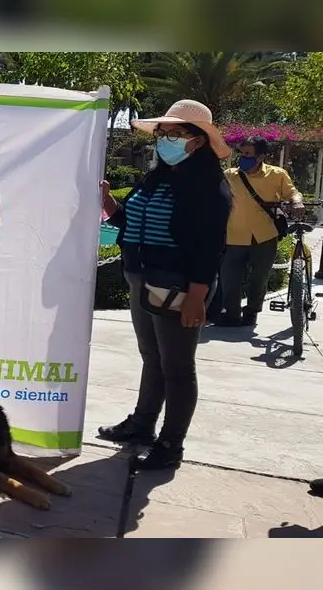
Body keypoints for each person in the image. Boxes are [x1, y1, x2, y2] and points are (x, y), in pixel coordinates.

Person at [97, 99, 232, 470]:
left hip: (177, 285)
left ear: (199, 141)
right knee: (151, 357)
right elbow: (134, 223)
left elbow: (210, 247)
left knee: (177, 366)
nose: (165, 140)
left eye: (176, 134)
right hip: (141, 277)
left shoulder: (210, 188)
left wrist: (197, 296)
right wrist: (108, 202)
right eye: (162, 133)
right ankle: (142, 425)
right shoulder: (158, 178)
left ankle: (171, 444)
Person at [216, 135, 305, 327]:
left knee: (260, 278)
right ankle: (231, 314)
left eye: (248, 154)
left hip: (264, 236)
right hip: (234, 236)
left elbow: (292, 192)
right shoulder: (230, 175)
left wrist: (297, 202)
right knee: (229, 278)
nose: (243, 158)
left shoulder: (277, 174)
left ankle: (251, 313)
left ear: (261, 156)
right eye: (242, 153)